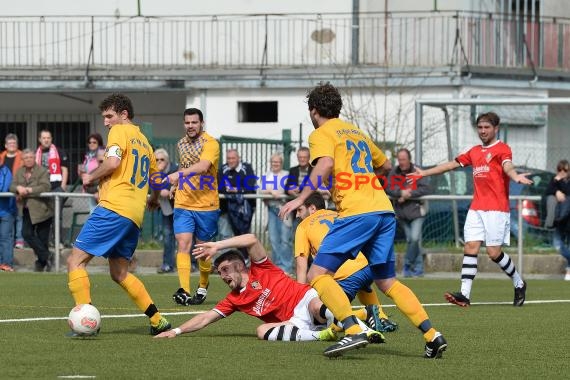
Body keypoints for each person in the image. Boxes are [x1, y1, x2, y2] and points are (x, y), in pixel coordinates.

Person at [279, 82, 446, 358]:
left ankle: (352, 330)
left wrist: (300, 198)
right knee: (387, 282)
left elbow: (325, 164)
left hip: (356, 213)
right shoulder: (356, 132)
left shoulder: (321, 132)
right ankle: (432, 335)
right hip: (383, 209)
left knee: (316, 275)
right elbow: (386, 166)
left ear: (314, 109)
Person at [66, 93, 170, 335]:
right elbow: (156, 179)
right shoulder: (145, 143)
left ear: (124, 115)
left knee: (75, 261)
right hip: (134, 215)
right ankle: (157, 320)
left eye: (109, 116)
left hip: (114, 207)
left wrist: (91, 176)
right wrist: (153, 200)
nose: (106, 122)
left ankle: (87, 319)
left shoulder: (119, 131)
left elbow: (112, 163)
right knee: (120, 272)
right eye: (104, 117)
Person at [154, 233, 383, 343]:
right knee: (262, 332)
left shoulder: (261, 268)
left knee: (317, 306)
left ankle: (364, 329)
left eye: (224, 270)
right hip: (294, 322)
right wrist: (176, 331)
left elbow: (252, 239)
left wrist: (218, 246)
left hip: (303, 300)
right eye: (219, 273)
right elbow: (205, 318)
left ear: (238, 265)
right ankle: (325, 334)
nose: (222, 276)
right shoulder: (233, 299)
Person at [412, 112, 532, 307]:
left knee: (493, 253)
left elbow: (508, 166)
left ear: (496, 128)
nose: (483, 131)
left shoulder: (502, 149)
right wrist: (425, 172)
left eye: (487, 127)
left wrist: (515, 176)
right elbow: (451, 164)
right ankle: (464, 294)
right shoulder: (474, 151)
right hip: (476, 208)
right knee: (470, 247)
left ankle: (518, 282)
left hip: (496, 209)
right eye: (480, 127)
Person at [295, 192, 398, 333]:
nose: (297, 215)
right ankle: (381, 317)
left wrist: (300, 300)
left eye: (299, 210)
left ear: (312, 208)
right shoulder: (338, 215)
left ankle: (364, 314)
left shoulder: (303, 226)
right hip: (367, 267)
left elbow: (301, 267)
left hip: (347, 276)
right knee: (363, 284)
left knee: (324, 320)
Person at [166, 108, 220, 306]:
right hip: (183, 202)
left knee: (202, 249)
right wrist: (175, 185)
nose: (190, 126)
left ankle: (203, 285)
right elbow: (184, 166)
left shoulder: (211, 143)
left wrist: (178, 176)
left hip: (206, 204)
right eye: (187, 123)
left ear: (201, 123)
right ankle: (185, 290)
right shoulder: (181, 143)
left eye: (194, 122)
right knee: (183, 243)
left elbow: (203, 166)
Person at [385, 148, 431, 277]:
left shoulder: (417, 170)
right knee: (412, 240)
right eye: (399, 160)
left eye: (403, 159)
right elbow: (388, 188)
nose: (401, 162)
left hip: (417, 211)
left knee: (414, 238)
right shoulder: (394, 172)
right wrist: (400, 193)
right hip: (402, 213)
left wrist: (409, 194)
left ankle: (407, 264)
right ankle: (418, 268)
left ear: (409, 159)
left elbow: (426, 188)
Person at [10, 149, 53, 272]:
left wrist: (28, 190)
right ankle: (47, 256)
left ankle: (41, 264)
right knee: (26, 233)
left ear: (34, 158)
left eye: (30, 157)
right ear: (23, 160)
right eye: (26, 157)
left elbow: (45, 186)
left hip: (43, 210)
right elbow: (11, 186)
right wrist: (18, 188)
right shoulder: (19, 172)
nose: (28, 159)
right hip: (27, 210)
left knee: (42, 238)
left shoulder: (42, 171)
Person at [217, 148, 256, 258]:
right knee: (225, 236)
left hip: (243, 210)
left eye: (233, 158)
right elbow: (220, 187)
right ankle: (226, 262)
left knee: (242, 236)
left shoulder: (247, 168)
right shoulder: (223, 169)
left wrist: (235, 189)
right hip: (225, 209)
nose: (231, 160)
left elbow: (250, 186)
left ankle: (246, 260)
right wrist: (238, 188)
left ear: (238, 158)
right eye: (228, 158)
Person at [260, 152, 293, 274]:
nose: (275, 164)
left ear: (281, 163)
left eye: (277, 162)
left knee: (285, 239)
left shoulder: (287, 175)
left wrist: (277, 193)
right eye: (273, 162)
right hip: (271, 209)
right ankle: (278, 267)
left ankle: (286, 267)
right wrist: (270, 191)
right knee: (273, 239)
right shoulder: (266, 175)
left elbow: (287, 190)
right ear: (270, 163)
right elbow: (260, 190)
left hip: (284, 208)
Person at [544, 159, 570, 281]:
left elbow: (568, 193)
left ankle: (569, 272)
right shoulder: (555, 181)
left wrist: (561, 187)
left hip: (568, 220)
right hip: (559, 221)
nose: (562, 172)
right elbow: (547, 192)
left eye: (565, 170)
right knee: (557, 245)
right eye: (560, 170)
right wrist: (556, 190)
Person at [154, 148, 178, 274]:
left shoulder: (175, 169)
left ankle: (192, 264)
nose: (159, 162)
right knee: (168, 236)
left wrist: (168, 191)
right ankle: (168, 264)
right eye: (156, 160)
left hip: (180, 209)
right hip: (166, 209)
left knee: (184, 238)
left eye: (162, 159)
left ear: (167, 160)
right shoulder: (155, 171)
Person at [285, 146, 313, 248]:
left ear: (309, 157)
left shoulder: (314, 170)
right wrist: (290, 190)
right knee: (296, 237)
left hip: (310, 209)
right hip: (296, 210)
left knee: (311, 237)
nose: (302, 159)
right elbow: (287, 187)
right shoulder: (293, 170)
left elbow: (314, 185)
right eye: (300, 157)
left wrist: (299, 189)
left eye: (304, 157)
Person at [0, 133, 24, 249]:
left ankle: (19, 239)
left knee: (19, 215)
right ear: (5, 145)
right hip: (4, 191)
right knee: (8, 216)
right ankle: (10, 238)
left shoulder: (22, 156)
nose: (12, 145)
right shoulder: (1, 156)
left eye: (14, 143)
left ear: (17, 145)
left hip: (18, 189)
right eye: (9, 143)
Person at [79, 133, 105, 212]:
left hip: (99, 188)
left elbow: (103, 170)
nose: (91, 144)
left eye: (94, 142)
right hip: (90, 188)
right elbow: (82, 170)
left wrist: (99, 190)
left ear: (99, 143)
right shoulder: (88, 155)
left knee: (101, 212)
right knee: (93, 212)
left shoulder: (102, 152)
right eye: (90, 142)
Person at [0, 161, 16, 271]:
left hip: (6, 211)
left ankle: (6, 264)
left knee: (5, 238)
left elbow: (4, 189)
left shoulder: (5, 171)